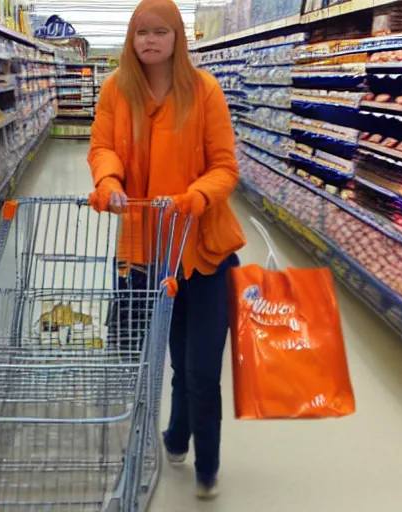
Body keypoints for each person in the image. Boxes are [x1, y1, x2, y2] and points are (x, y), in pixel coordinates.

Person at [87, 0, 246, 499]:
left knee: (201, 370)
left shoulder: (204, 91)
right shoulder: (116, 89)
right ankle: (176, 436)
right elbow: (102, 146)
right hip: (145, 254)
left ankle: (208, 468)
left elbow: (225, 166)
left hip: (203, 251)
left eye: (161, 31)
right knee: (166, 360)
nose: (150, 40)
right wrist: (108, 178)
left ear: (178, 37)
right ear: (132, 40)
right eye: (141, 33)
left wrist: (196, 198)